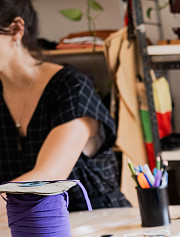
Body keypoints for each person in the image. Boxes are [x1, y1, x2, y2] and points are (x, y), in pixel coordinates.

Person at [0, 0, 130, 211]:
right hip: (27, 230)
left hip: (99, 226)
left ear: (16, 30)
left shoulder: (71, 87)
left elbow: (48, 178)